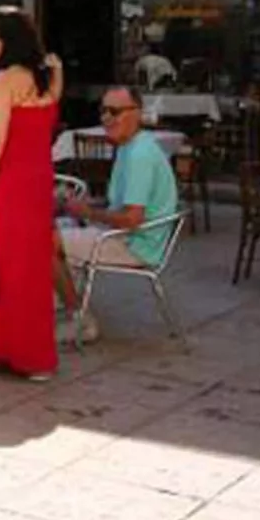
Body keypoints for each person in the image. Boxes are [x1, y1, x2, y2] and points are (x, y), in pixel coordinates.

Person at [0, 7, 63, 380]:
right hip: (37, 183)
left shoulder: (5, 80)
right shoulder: (49, 74)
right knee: (31, 269)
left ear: (7, 39)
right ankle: (33, 356)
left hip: (6, 184)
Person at [57, 84, 180, 343]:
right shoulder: (130, 146)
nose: (106, 118)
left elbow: (132, 219)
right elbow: (122, 207)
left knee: (45, 240)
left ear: (137, 113)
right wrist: (89, 207)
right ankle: (59, 309)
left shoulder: (139, 154)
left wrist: (89, 212)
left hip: (136, 245)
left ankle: (79, 319)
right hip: (126, 236)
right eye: (103, 111)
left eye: (115, 112)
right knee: (56, 229)